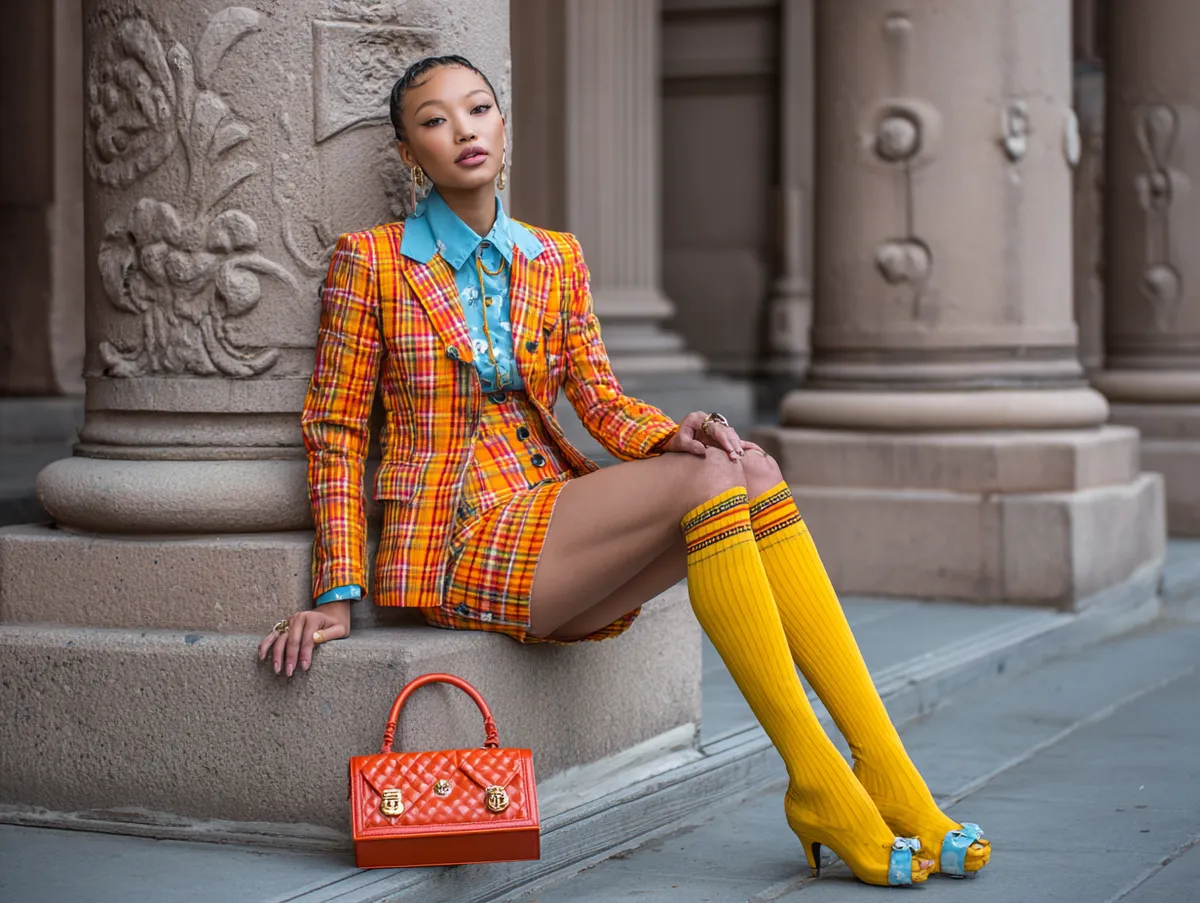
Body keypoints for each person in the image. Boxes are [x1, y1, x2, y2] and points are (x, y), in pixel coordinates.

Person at [258, 55, 989, 887]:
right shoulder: (374, 261)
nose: (463, 129)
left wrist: (670, 433)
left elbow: (599, 403)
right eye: (435, 120)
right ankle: (821, 780)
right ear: (407, 154)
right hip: (457, 536)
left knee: (745, 465)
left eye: (479, 108)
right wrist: (336, 590)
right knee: (711, 479)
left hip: (552, 519)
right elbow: (336, 427)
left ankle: (887, 774)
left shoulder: (554, 258)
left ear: (504, 125)